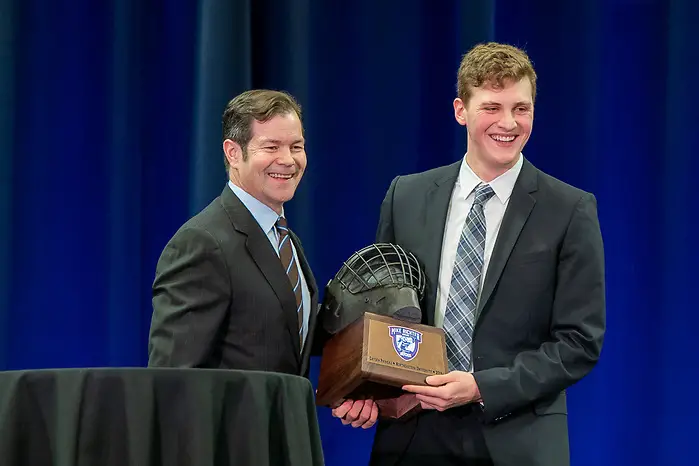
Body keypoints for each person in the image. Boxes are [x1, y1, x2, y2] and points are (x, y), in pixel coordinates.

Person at [333, 42, 606, 465]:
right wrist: (364, 392)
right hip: (412, 433)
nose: (509, 123)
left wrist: (482, 386)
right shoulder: (406, 196)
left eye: (522, 108)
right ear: (461, 110)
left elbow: (579, 342)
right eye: (492, 107)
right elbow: (381, 316)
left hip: (516, 439)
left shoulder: (569, 209)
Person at [147, 89, 320, 378]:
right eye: (271, 147)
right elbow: (172, 379)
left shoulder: (284, 239)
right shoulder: (203, 243)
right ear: (233, 153)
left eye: (296, 146)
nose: (288, 160)